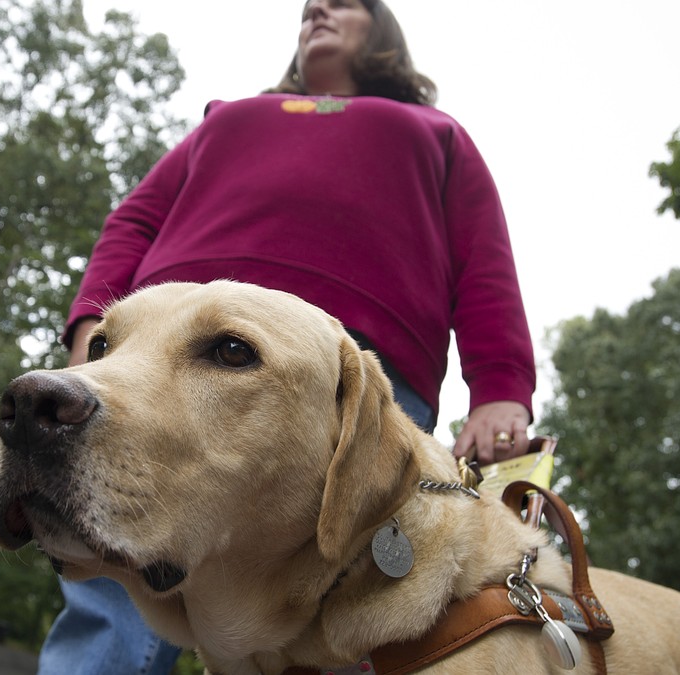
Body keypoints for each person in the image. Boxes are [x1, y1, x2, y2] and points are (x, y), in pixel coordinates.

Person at [36, 0, 536, 671]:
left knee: (359, 608)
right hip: (157, 356)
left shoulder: (436, 130)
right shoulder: (227, 116)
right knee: (110, 573)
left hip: (356, 374)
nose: (319, 7)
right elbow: (134, 219)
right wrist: (95, 329)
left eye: (344, 2)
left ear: (383, 33)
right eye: (308, 7)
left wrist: (501, 386)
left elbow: (483, 257)